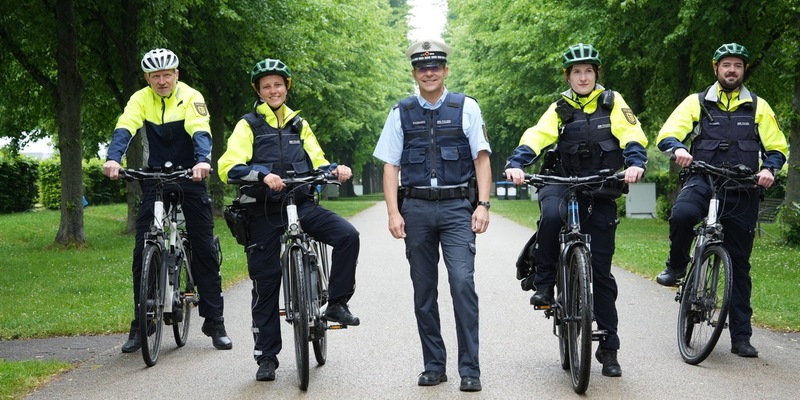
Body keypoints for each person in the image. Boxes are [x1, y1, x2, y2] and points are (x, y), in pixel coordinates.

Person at [505, 43, 648, 377]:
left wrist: (636, 162)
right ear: (568, 76)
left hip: (601, 185)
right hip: (562, 180)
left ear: (596, 73)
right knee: (552, 216)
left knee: (601, 272)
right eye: (576, 72)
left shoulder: (613, 102)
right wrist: (516, 163)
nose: (582, 77)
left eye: (588, 71)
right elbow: (537, 136)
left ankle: (609, 349)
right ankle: (543, 284)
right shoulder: (559, 108)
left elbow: (632, 134)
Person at [218, 58, 360, 382]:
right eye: (266, 86)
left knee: (348, 236)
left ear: (287, 87)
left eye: (278, 84)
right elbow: (228, 165)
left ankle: (336, 303)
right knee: (266, 283)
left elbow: (319, 160)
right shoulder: (248, 125)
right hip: (263, 211)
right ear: (259, 90)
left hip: (302, 203)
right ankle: (267, 357)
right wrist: (262, 174)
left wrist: (335, 169)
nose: (273, 90)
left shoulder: (300, 124)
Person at [654, 43, 788, 358]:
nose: (731, 70)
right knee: (683, 214)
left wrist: (769, 169)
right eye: (726, 65)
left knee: (739, 265)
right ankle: (676, 266)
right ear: (716, 69)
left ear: (744, 71)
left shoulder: (758, 106)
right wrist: (679, 149)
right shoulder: (696, 102)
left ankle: (741, 337)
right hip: (704, 179)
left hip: (743, 188)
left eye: (737, 66)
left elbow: (777, 148)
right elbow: (668, 134)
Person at [373, 38, 491, 392]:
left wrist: (482, 205)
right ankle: (433, 365)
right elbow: (391, 166)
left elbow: (481, 159)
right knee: (424, 291)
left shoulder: (466, 107)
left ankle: (470, 369)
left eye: (435, 67)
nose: (429, 73)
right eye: (423, 68)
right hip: (417, 210)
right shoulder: (401, 112)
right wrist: (393, 213)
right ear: (414, 72)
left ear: (445, 71)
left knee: (461, 284)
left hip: (457, 209)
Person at [103, 48, 232, 353]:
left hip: (192, 175)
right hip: (154, 177)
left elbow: (200, 130)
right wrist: (113, 157)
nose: (161, 81)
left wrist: (202, 161)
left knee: (202, 248)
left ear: (177, 74)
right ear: (147, 78)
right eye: (155, 76)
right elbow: (126, 127)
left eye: (166, 75)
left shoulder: (191, 96)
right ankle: (142, 323)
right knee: (142, 249)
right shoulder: (140, 99)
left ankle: (215, 321)